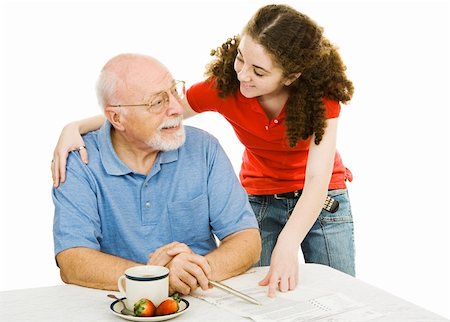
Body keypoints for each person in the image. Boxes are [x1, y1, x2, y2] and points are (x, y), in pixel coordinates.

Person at [52, 4, 355, 297]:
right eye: (240, 59)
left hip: (322, 197)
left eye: (259, 71)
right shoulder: (225, 88)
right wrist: (76, 127)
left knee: (341, 294)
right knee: (262, 294)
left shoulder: (320, 99)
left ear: (290, 76)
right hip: (262, 194)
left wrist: (287, 244)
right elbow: (160, 115)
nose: (243, 75)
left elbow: (317, 179)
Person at [52, 53, 261, 295]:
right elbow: (72, 260)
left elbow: (247, 239)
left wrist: (188, 274)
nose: (175, 108)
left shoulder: (204, 148)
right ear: (117, 118)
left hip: (201, 297)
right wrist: (156, 279)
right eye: (157, 102)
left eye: (174, 91)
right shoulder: (79, 162)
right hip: (120, 303)